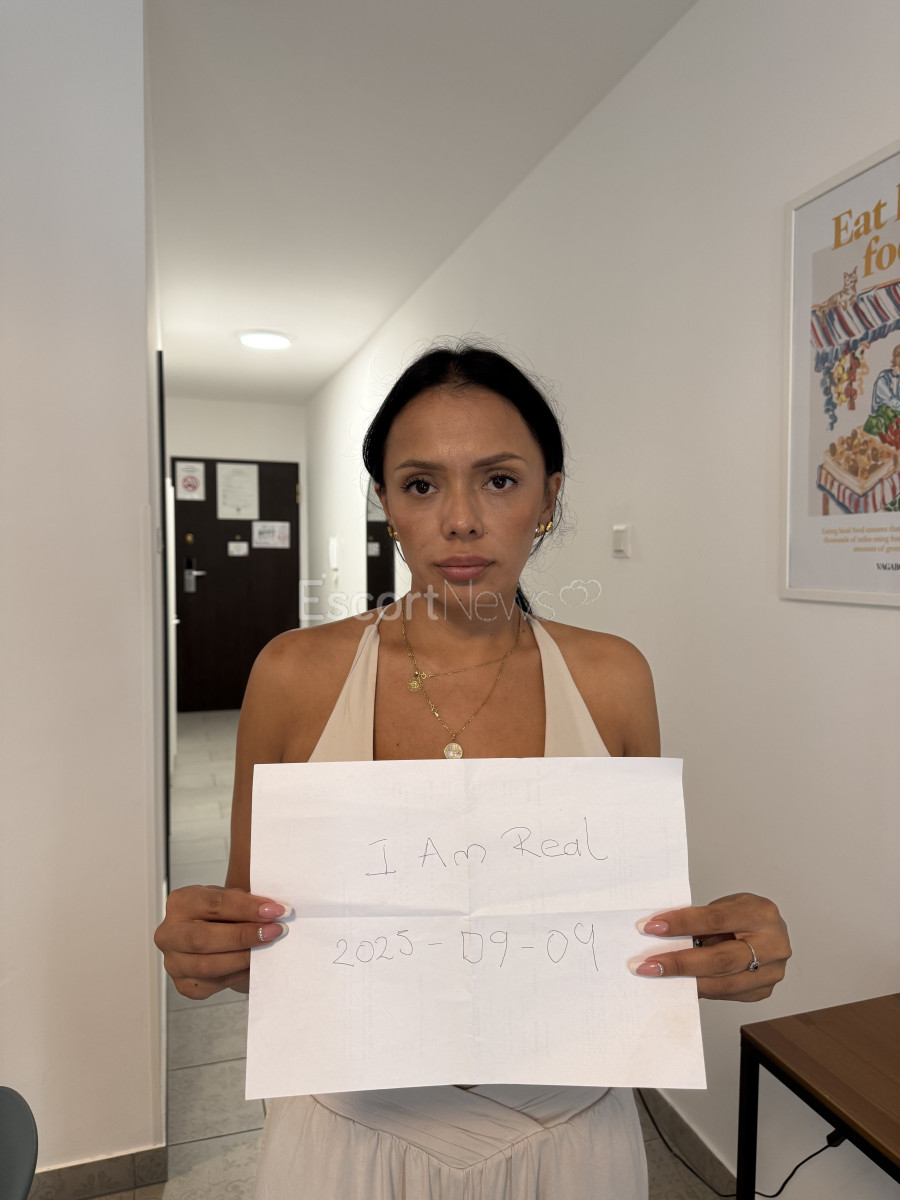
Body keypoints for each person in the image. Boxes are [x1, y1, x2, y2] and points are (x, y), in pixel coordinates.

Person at [155, 345, 791, 1199]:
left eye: (498, 480)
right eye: (422, 484)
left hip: (572, 1139)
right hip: (344, 1140)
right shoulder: (293, 674)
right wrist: (208, 948)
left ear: (548, 499)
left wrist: (725, 952)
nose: (460, 520)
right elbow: (253, 934)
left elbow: (630, 920)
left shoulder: (612, 677)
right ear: (386, 503)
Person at [870, 343, 900, 414]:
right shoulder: (884, 377)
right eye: (899, 356)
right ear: (895, 358)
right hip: (884, 417)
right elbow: (892, 402)